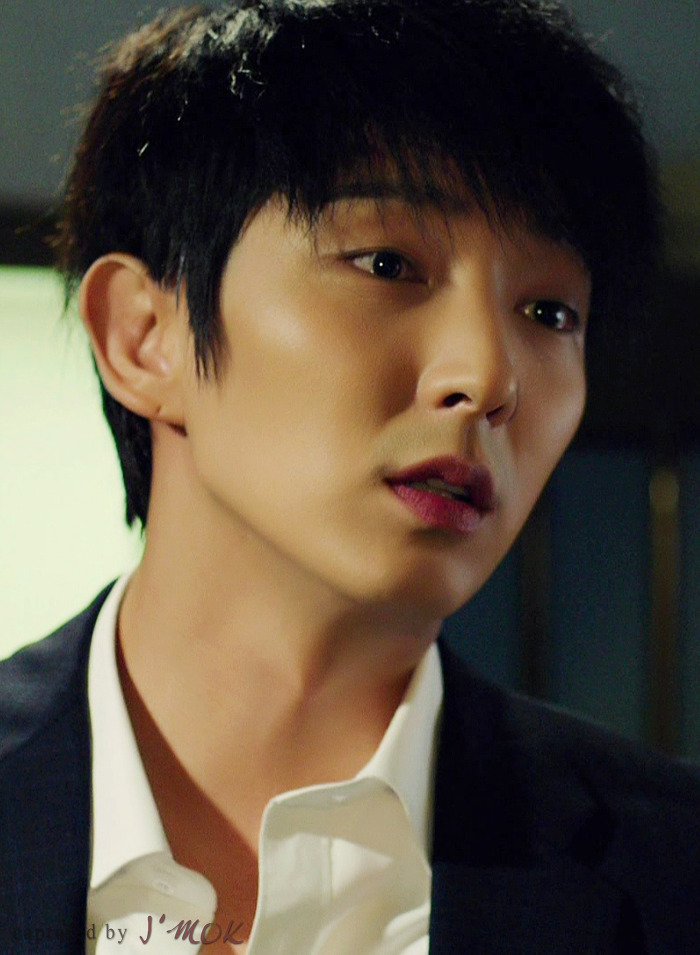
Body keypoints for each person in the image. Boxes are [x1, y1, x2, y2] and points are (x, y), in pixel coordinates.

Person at [1, 0, 698, 952]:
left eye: (550, 312)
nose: (487, 377)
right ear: (144, 336)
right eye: (386, 263)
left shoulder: (672, 872)